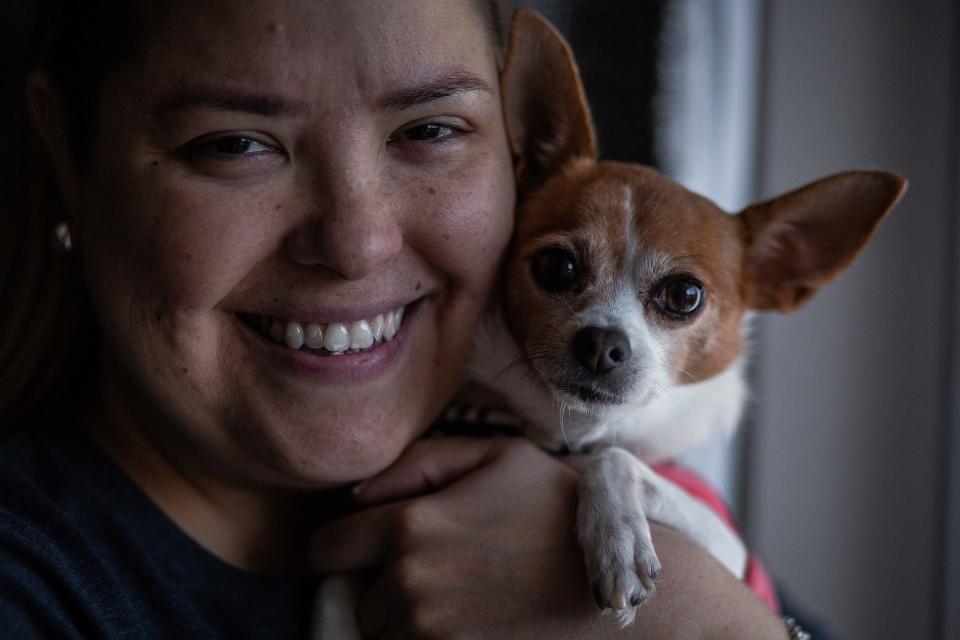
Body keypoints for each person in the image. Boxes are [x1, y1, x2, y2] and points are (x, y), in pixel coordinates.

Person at [0, 1, 792, 637]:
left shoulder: (617, 521)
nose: (357, 243)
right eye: (236, 144)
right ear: (71, 154)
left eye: (429, 131)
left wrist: (700, 613)